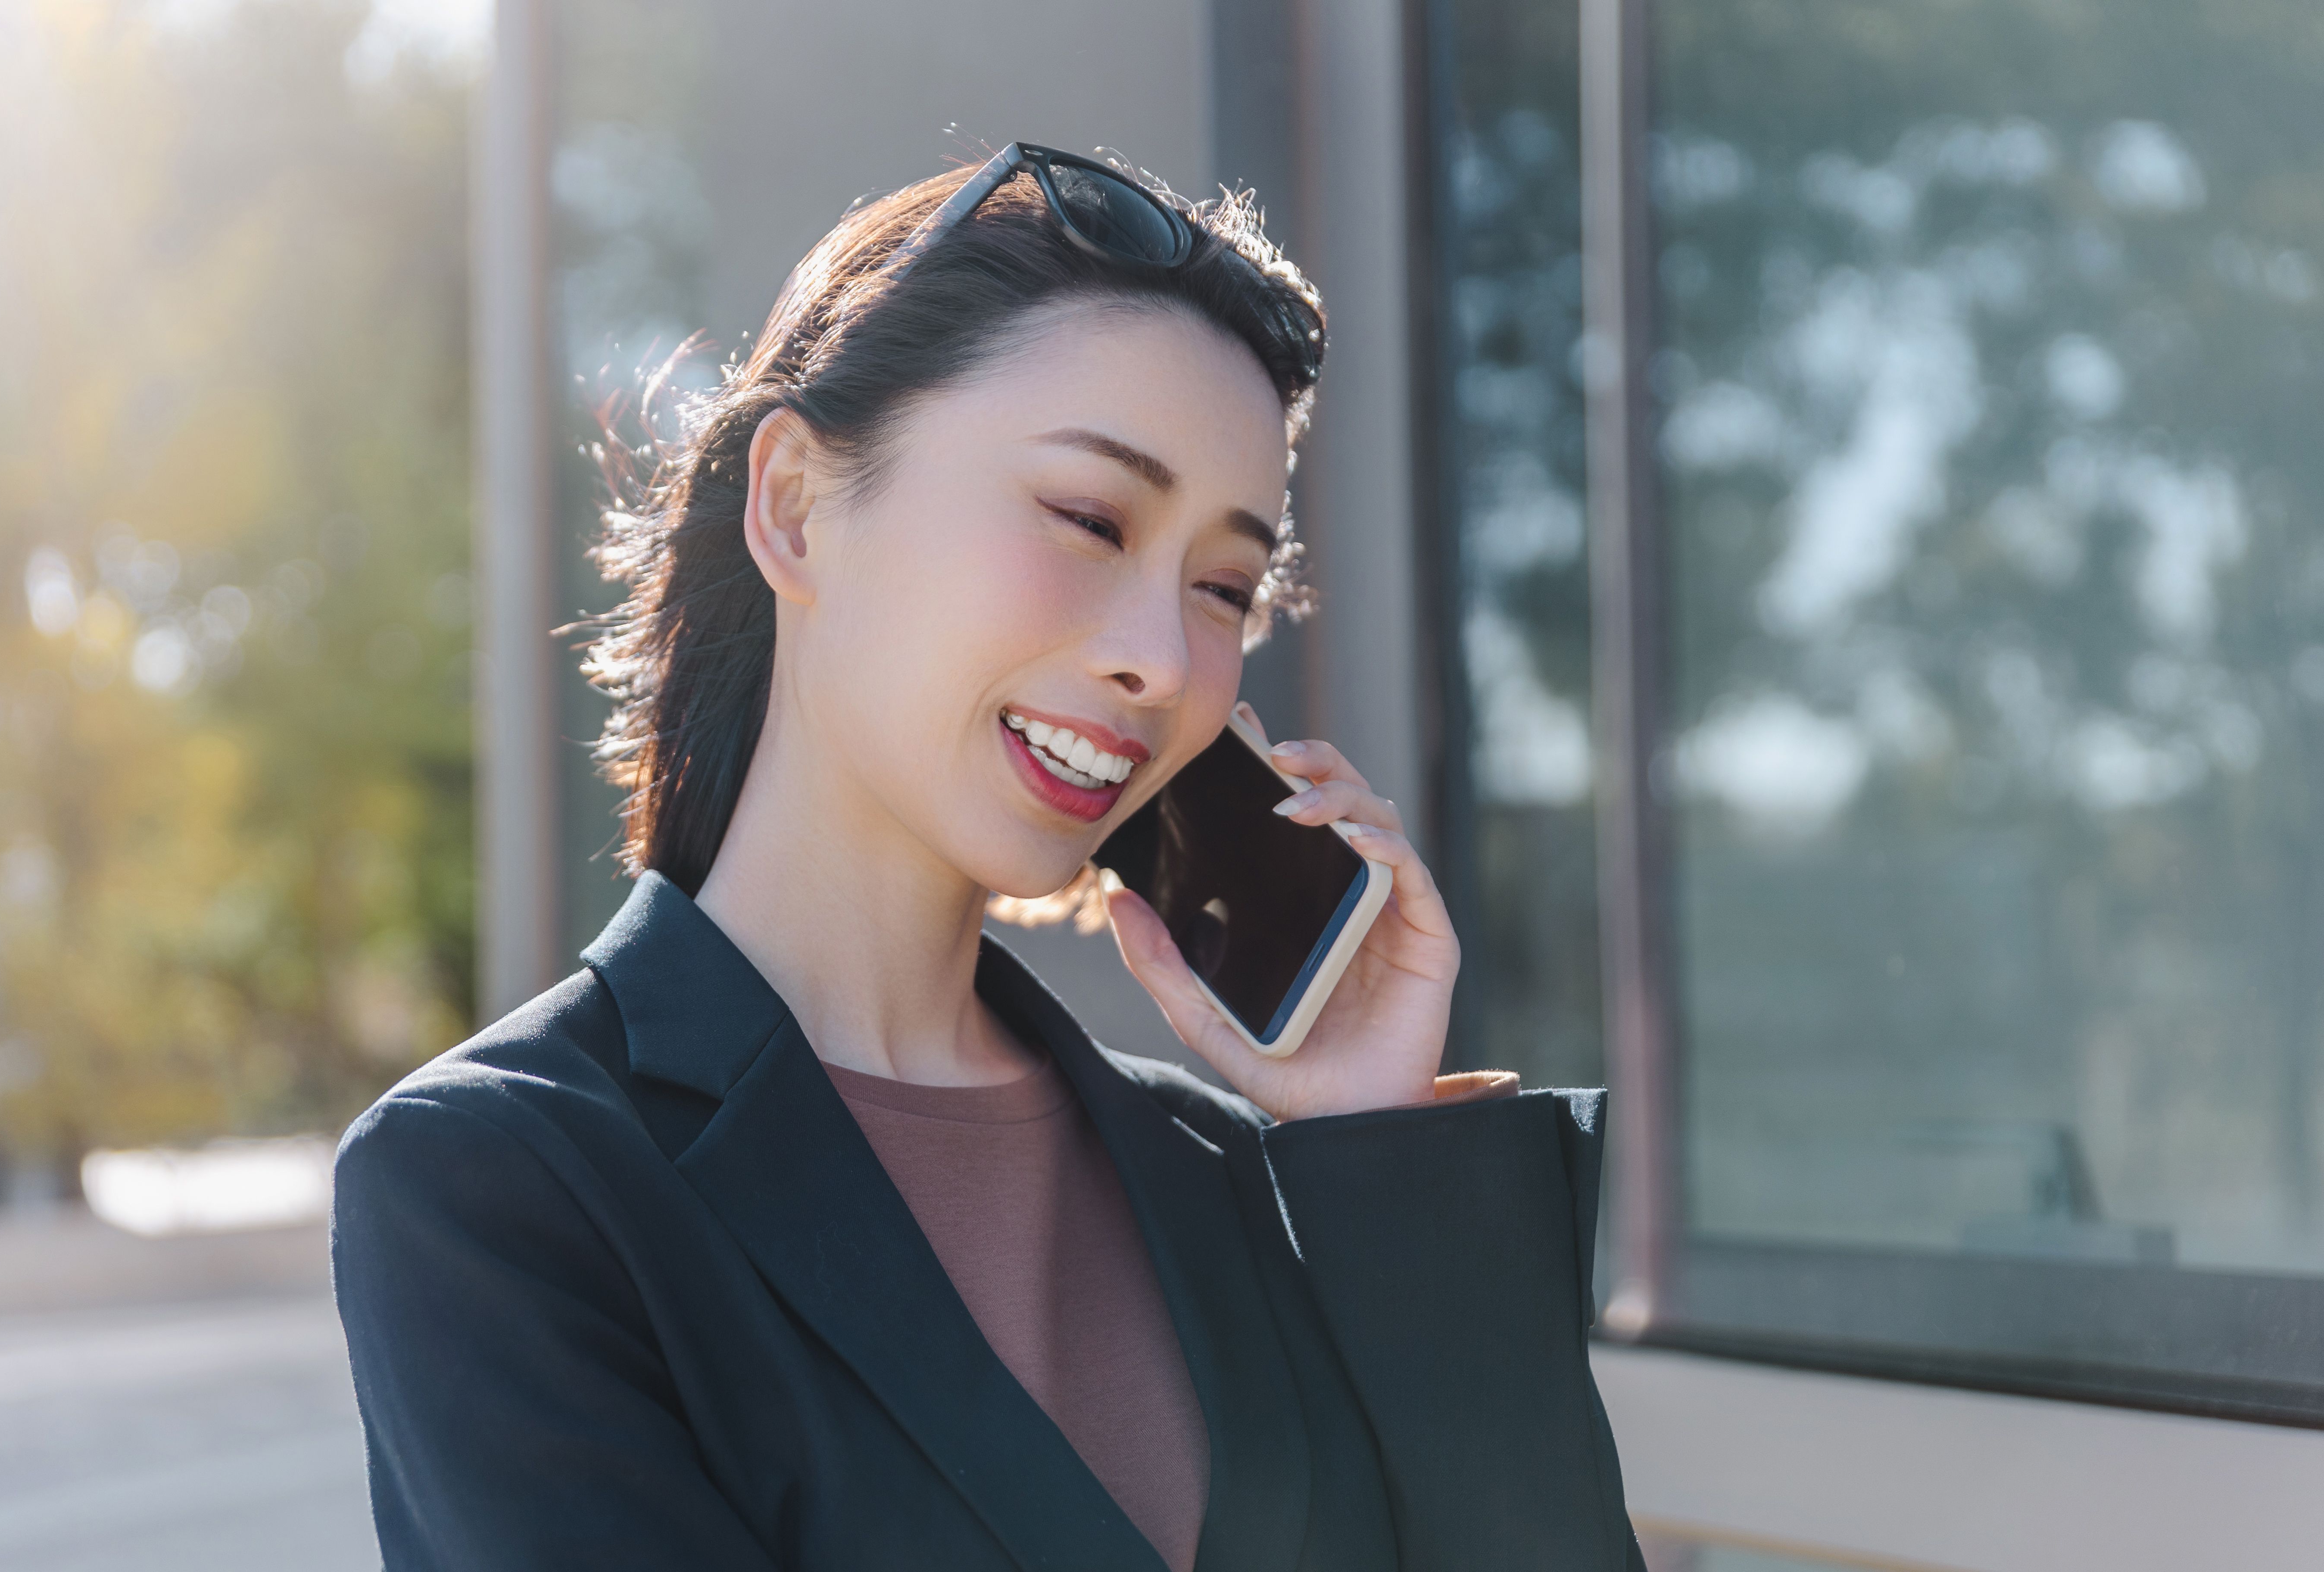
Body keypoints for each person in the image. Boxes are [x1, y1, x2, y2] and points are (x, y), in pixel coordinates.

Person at [332, 143, 1644, 1572]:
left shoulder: (1229, 1173)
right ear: (794, 505)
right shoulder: (508, 1181)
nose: (1160, 659)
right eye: (1090, 520)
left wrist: (1383, 1150)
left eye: (1223, 587)